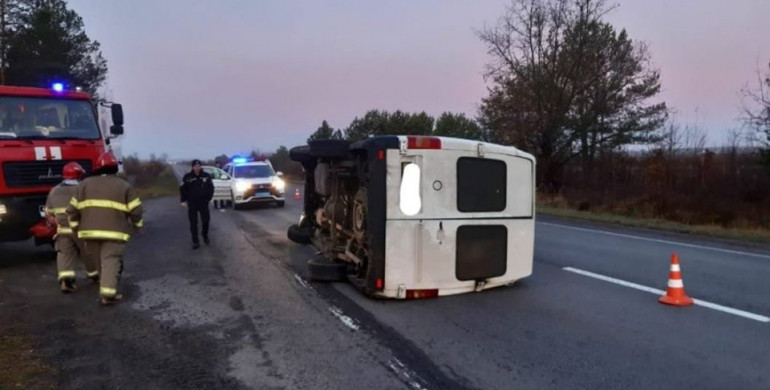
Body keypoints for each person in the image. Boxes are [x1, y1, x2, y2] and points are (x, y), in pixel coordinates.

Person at [66, 152, 143, 306]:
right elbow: (136, 210)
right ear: (115, 168)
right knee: (110, 260)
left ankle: (105, 286)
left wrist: (75, 227)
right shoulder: (124, 186)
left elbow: (72, 210)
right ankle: (108, 294)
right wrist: (137, 225)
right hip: (115, 232)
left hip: (89, 233)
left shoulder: (84, 185)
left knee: (99, 261)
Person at [45, 162, 99, 293]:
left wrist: (54, 222)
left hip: (62, 230)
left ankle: (66, 281)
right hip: (81, 229)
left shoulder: (54, 190)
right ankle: (95, 275)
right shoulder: (84, 189)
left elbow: (48, 212)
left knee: (65, 255)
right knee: (89, 253)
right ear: (79, 174)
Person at [180, 159, 214, 249]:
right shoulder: (188, 177)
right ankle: (195, 242)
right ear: (192, 167)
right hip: (192, 203)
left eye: (199, 166)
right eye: (195, 166)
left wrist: (208, 199)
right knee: (193, 223)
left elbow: (211, 188)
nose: (197, 168)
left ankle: (205, 235)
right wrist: (183, 201)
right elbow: (183, 189)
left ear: (201, 166)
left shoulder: (206, 176)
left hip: (203, 202)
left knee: (206, 221)